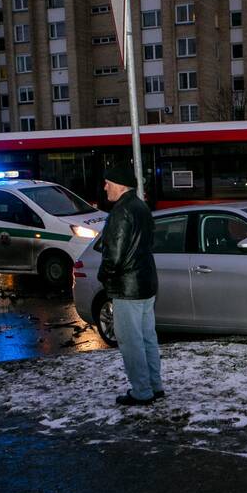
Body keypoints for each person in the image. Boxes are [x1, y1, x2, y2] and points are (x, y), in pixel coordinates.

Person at [95, 163, 164, 406]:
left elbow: (114, 254)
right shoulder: (141, 207)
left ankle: (141, 391)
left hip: (127, 287)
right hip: (146, 283)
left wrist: (104, 275)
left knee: (130, 341)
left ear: (119, 185)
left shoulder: (120, 212)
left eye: (108, 183)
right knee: (147, 337)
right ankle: (155, 386)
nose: (105, 188)